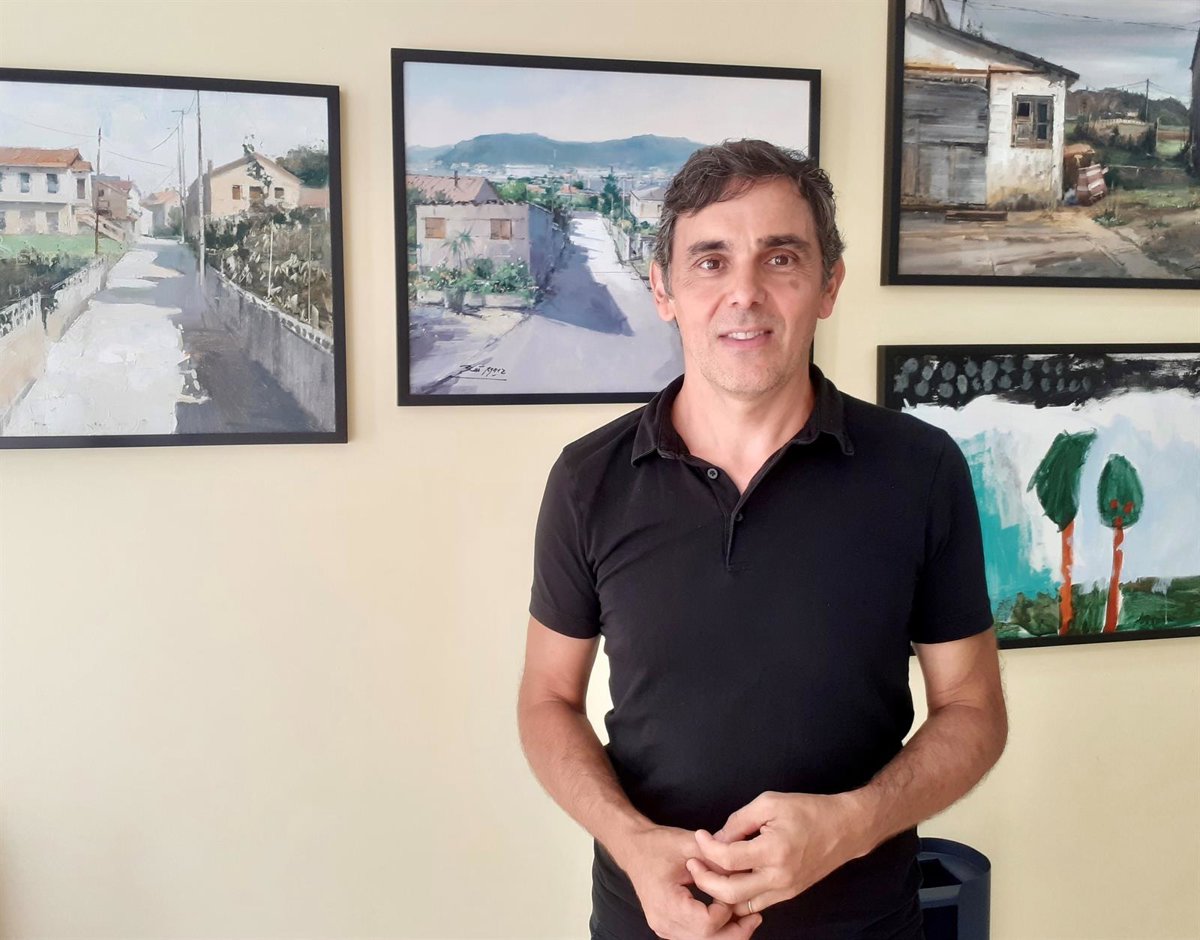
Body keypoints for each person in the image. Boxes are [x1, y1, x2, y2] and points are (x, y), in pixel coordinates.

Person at [517, 139, 1007, 940]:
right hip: (651, 923)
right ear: (663, 288)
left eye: (781, 258)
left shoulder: (921, 471)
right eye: (710, 261)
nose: (744, 293)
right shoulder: (587, 480)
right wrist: (633, 844)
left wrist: (852, 824)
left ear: (829, 285)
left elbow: (974, 709)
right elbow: (547, 700)